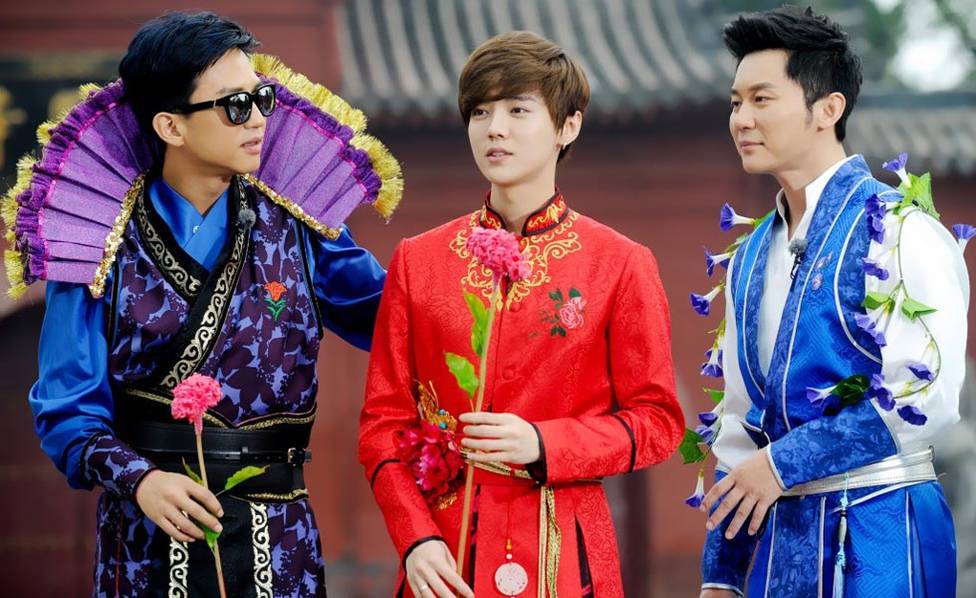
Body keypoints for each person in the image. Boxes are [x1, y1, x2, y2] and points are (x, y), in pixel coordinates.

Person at [12, 11, 398, 596]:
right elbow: (68, 412)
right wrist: (141, 481)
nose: (259, 119)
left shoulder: (303, 226)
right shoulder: (94, 242)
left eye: (261, 99)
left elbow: (400, 319)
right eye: (234, 106)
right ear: (171, 126)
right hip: (146, 539)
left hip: (280, 535)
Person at [358, 30, 684, 598]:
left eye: (517, 109)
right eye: (480, 112)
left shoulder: (619, 263)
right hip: (445, 555)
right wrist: (415, 538)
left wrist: (544, 443)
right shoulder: (419, 260)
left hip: (567, 552)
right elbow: (383, 425)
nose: (495, 129)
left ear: (568, 126)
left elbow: (658, 422)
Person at [695, 6, 967, 597]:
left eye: (762, 99)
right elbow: (741, 421)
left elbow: (925, 397)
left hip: (881, 529)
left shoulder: (900, 232)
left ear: (828, 108)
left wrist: (782, 464)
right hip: (777, 544)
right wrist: (722, 575)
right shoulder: (747, 258)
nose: (741, 118)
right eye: (736, 102)